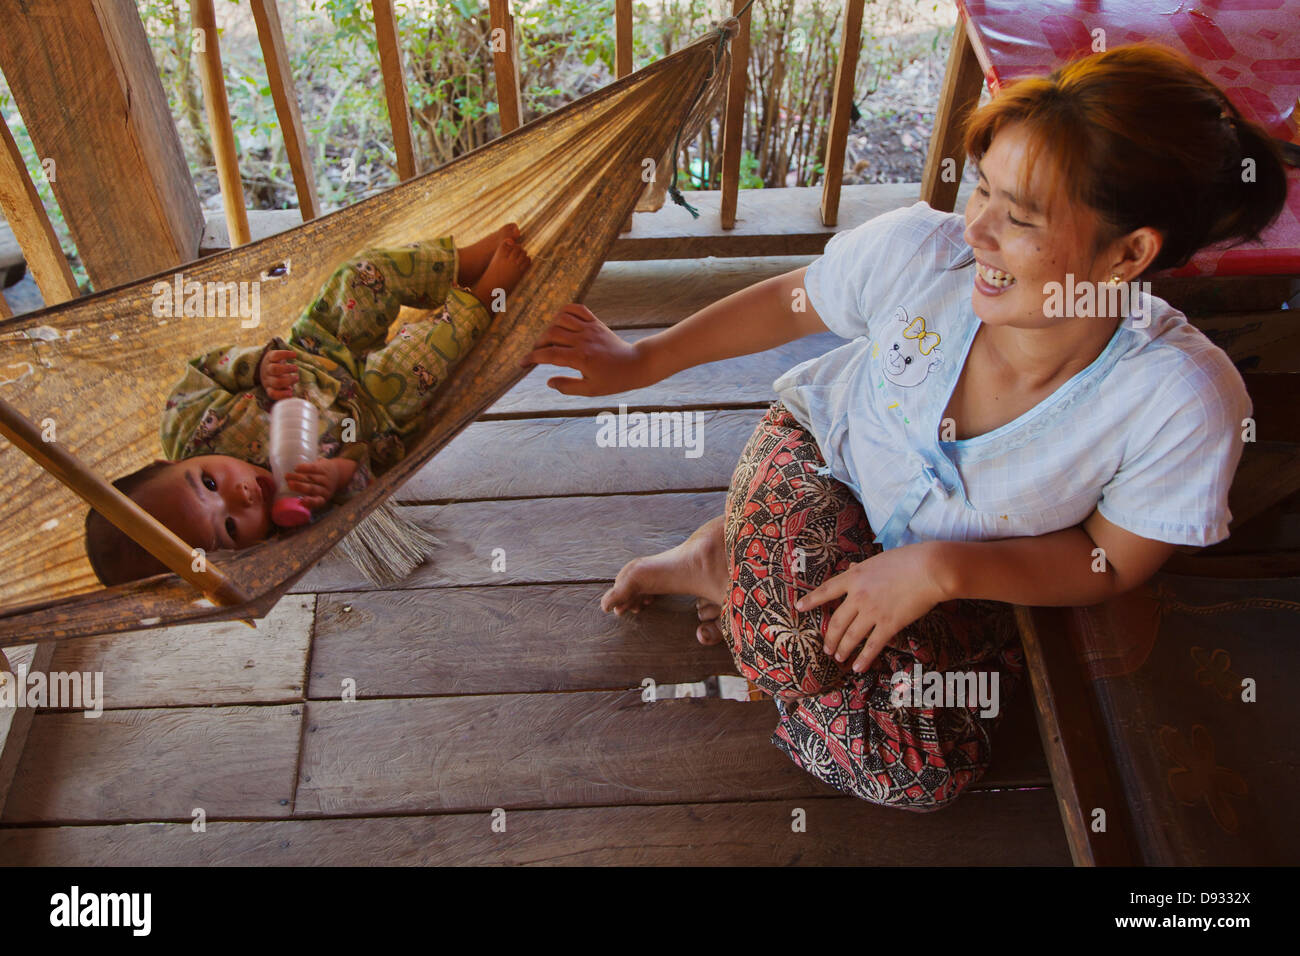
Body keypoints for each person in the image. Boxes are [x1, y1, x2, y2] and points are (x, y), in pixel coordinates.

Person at [520, 44, 1288, 810]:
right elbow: (795, 302)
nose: (977, 230)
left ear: (1130, 253)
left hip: (970, 570)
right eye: (981, 189)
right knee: (791, 650)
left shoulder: (1184, 400)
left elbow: (1107, 564)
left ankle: (745, 569)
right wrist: (641, 359)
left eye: (1017, 216)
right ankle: (721, 553)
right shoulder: (925, 254)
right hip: (829, 462)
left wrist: (941, 572)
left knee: (923, 774)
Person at [84, 224, 530, 586]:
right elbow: (364, 482)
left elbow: (208, 368)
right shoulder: (291, 519)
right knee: (416, 363)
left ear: (166, 461)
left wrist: (256, 366)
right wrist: (338, 474)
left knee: (357, 277)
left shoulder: (187, 423)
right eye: (231, 529)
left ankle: (461, 263)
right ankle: (484, 299)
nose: (240, 498)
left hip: (317, 351)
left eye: (208, 483)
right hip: (371, 412)